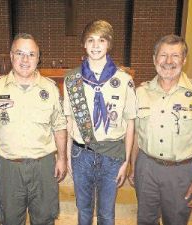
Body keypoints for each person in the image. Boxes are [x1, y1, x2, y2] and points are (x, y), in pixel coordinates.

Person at [0, 33, 67, 225]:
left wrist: (62, 158)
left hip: (43, 167)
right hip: (9, 168)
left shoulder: (50, 89)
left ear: (38, 58)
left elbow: (59, 127)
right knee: (9, 220)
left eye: (31, 54)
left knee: (44, 219)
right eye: (20, 53)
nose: (25, 60)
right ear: (11, 56)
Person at [129, 34, 192, 225]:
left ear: (184, 60)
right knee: (145, 220)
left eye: (175, 56)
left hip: (181, 172)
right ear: (154, 59)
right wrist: (134, 167)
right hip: (146, 167)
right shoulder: (140, 92)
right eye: (163, 55)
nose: (168, 61)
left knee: (175, 221)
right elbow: (137, 135)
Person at [63, 20, 136, 225]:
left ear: (108, 44)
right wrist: (68, 156)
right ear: (84, 44)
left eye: (101, 40)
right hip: (81, 153)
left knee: (106, 214)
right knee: (84, 212)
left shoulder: (123, 80)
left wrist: (126, 161)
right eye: (91, 40)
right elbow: (69, 121)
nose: (96, 45)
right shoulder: (72, 79)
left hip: (112, 155)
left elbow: (130, 123)